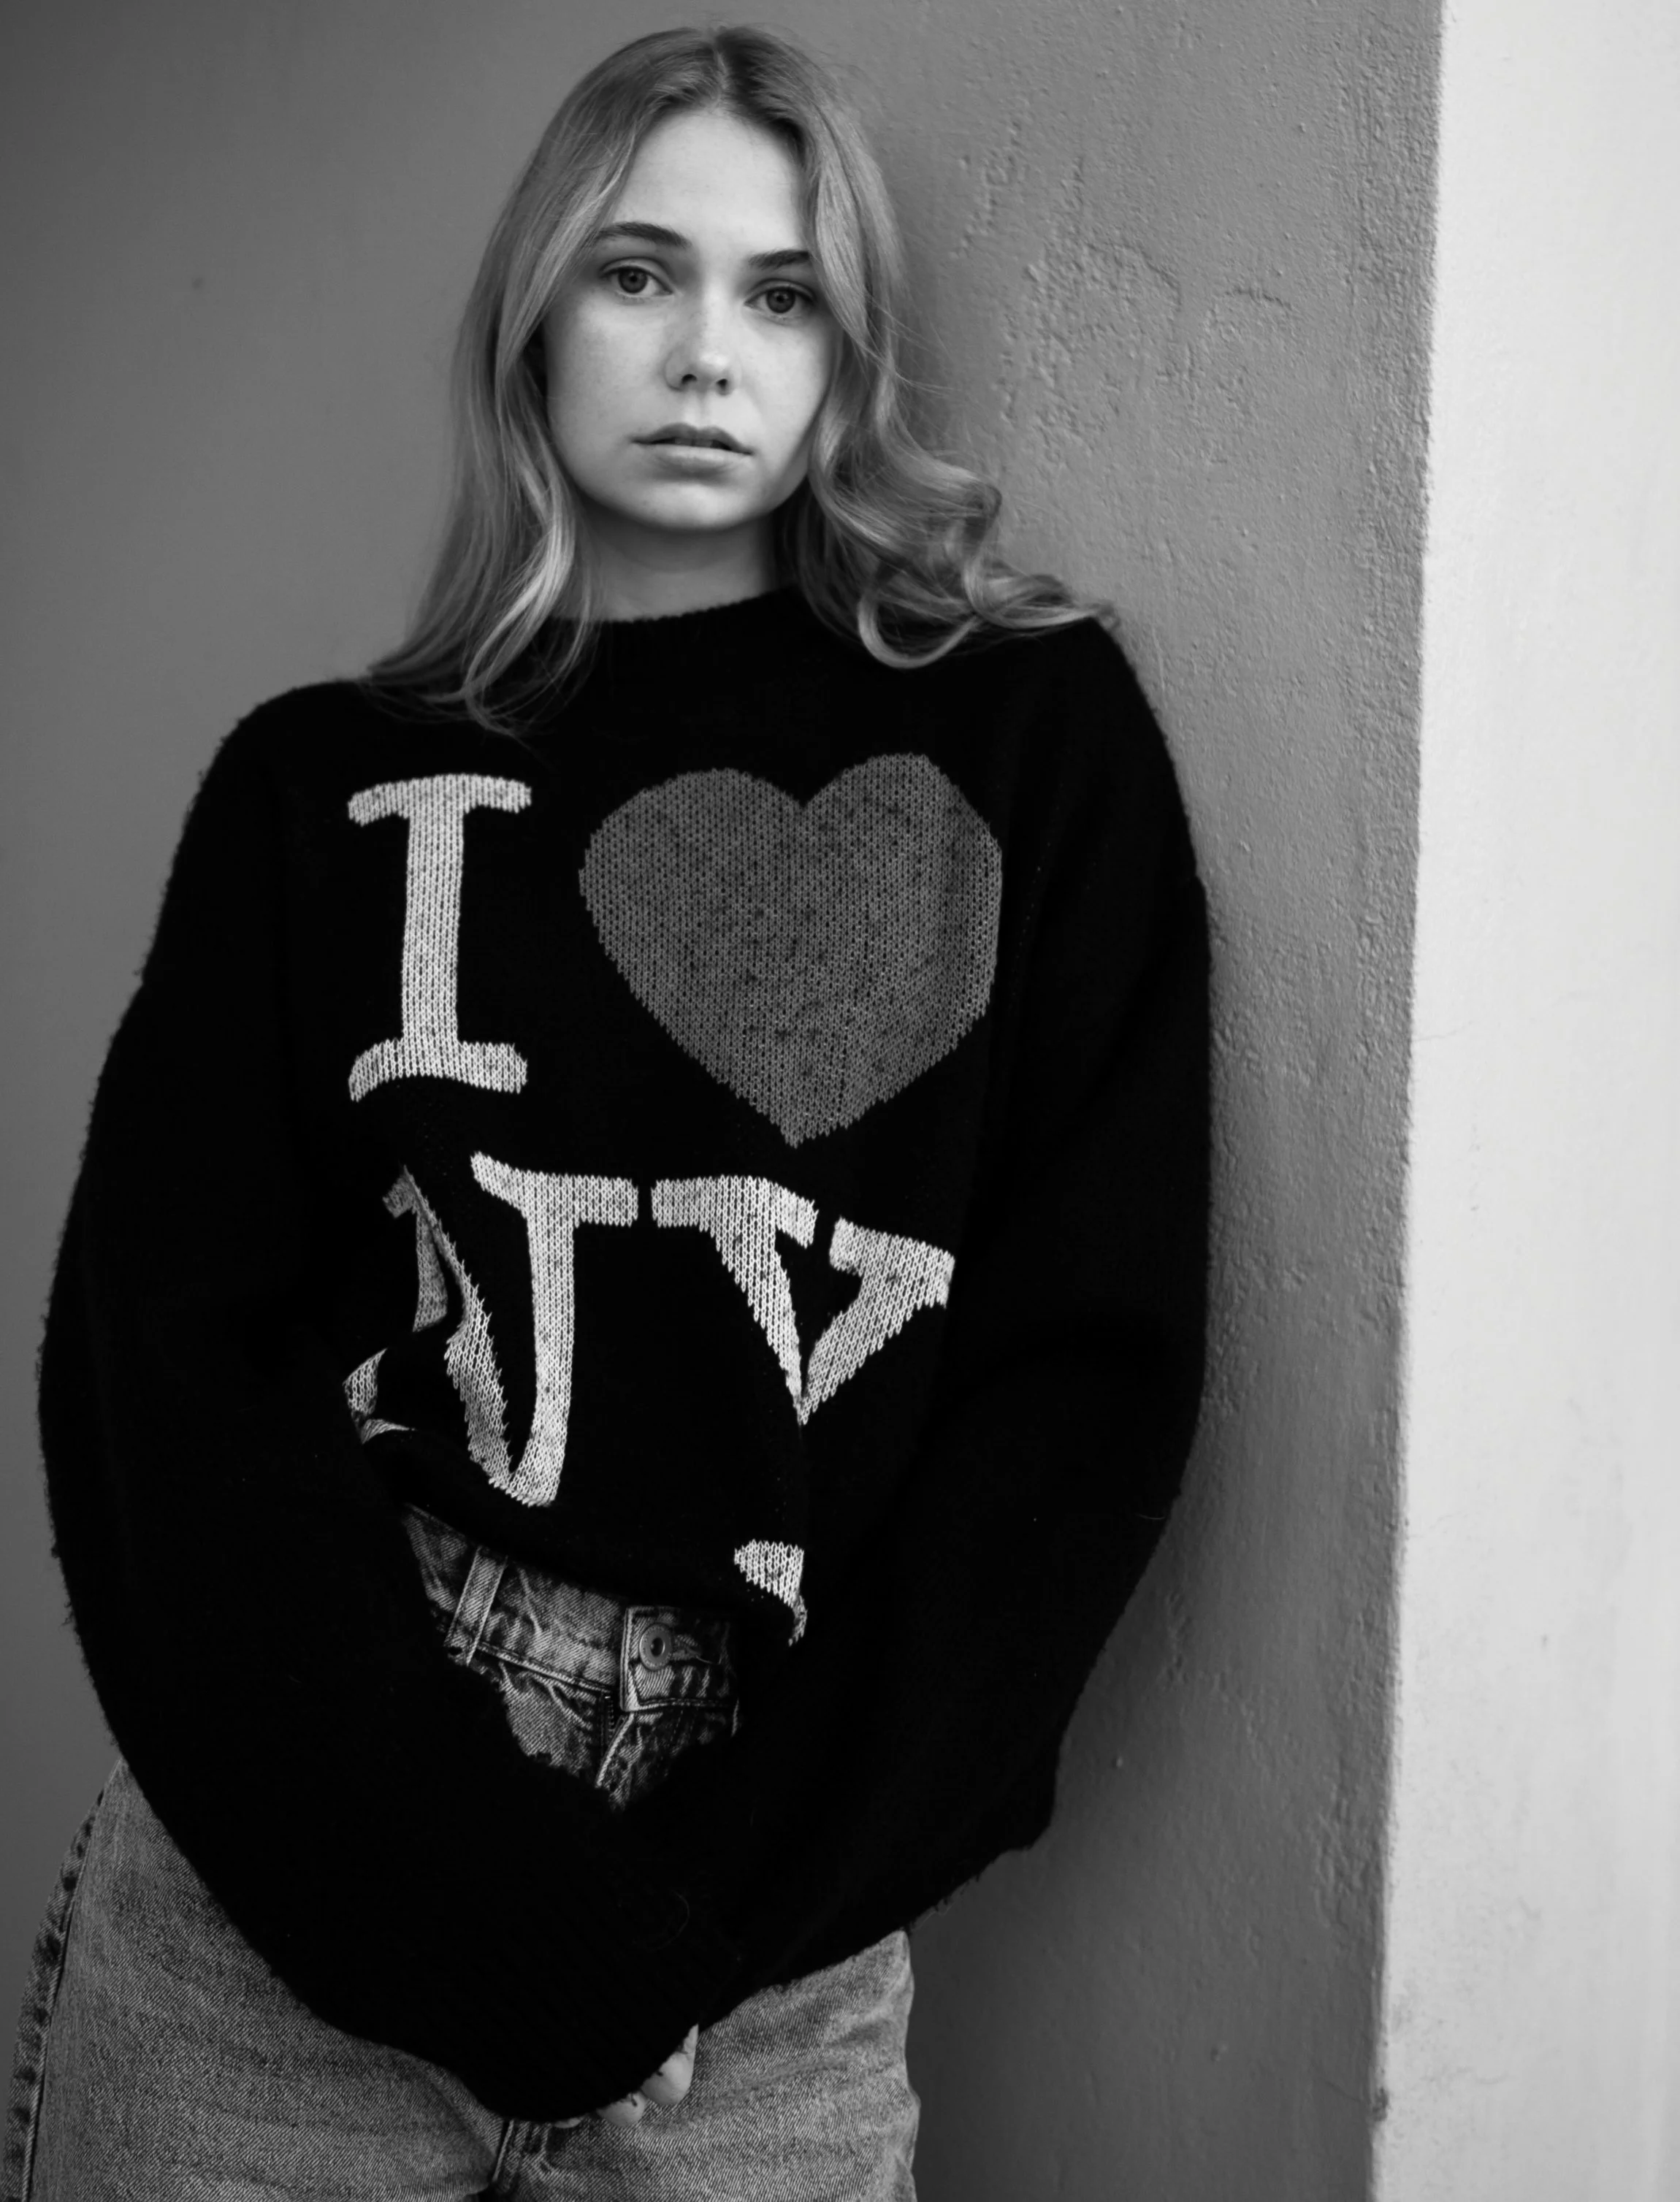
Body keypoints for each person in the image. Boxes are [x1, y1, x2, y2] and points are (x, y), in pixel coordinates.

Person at [5, 23, 1210, 2201]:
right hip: (292, 1880)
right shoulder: (316, 788)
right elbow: (164, 1375)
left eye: (784, 293)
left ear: (848, 355)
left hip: (764, 1944)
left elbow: (1075, 1398)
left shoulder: (1033, 743)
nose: (705, 352)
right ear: (534, 315)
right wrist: (455, 1895)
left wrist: (686, 1931)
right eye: (638, 272)